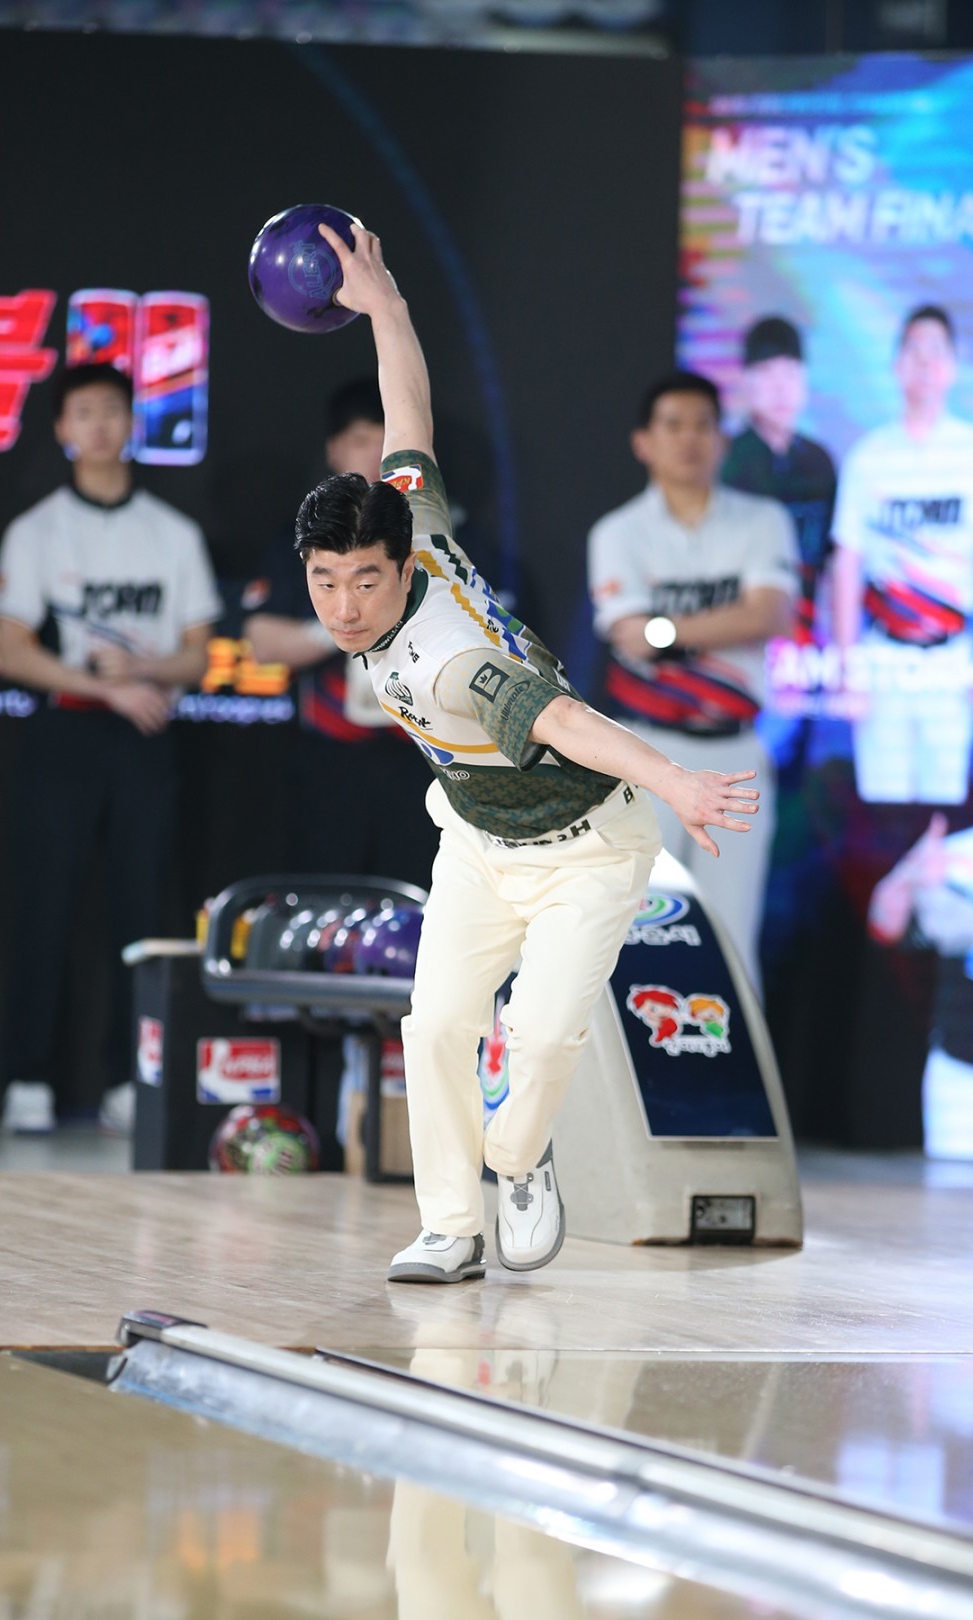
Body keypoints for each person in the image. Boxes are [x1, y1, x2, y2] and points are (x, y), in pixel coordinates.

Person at [294, 223, 762, 1284]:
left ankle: (518, 1159)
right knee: (436, 1025)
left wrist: (677, 781)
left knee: (541, 1041)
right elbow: (407, 410)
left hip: (586, 846)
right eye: (325, 583)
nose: (346, 607)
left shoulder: (448, 662)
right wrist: (385, 304)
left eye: (364, 583)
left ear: (398, 571)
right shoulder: (410, 518)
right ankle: (451, 1227)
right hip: (476, 838)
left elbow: (564, 724)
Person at [0, 362, 221, 1134]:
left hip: (146, 735)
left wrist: (143, 673)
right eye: (82, 412)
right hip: (65, 735)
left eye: (112, 410)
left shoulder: (173, 533)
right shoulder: (37, 529)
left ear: (131, 424)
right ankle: (28, 1076)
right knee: (44, 904)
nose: (98, 425)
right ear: (61, 428)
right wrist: (103, 686)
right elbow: (10, 650)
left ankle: (128, 1077)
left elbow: (198, 655)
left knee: (141, 910)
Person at [587, 371, 798, 991]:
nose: (689, 439)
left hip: (736, 753)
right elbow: (627, 636)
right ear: (643, 442)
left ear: (723, 440)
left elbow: (771, 615)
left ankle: (732, 1057)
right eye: (673, 425)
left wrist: (667, 631)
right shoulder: (617, 532)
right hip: (646, 750)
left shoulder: (764, 521)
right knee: (637, 927)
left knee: (731, 936)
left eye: (703, 425)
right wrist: (717, 624)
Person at [245, 377, 438, 890]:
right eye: (359, 440)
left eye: (386, 440)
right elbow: (262, 640)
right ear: (334, 450)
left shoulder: (441, 541)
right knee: (324, 898)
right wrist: (347, 622)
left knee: (418, 903)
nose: (374, 455)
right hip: (330, 757)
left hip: (425, 755)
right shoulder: (301, 540)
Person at [832, 304, 973, 805]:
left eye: (937, 350)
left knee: (945, 809)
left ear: (953, 366)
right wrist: (848, 669)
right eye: (914, 349)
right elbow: (847, 566)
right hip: (883, 659)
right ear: (896, 365)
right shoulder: (869, 457)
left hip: (952, 660)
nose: (925, 361)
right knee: (883, 807)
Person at [722, 316, 837, 648]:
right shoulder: (726, 461)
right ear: (747, 381)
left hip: (807, 633)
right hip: (741, 630)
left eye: (790, 374)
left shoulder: (819, 462)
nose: (780, 388)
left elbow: (833, 557)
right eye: (767, 373)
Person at [869, 813, 973, 1159]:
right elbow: (885, 928)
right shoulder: (953, 854)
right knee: (948, 1180)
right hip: (959, 1069)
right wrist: (909, 875)